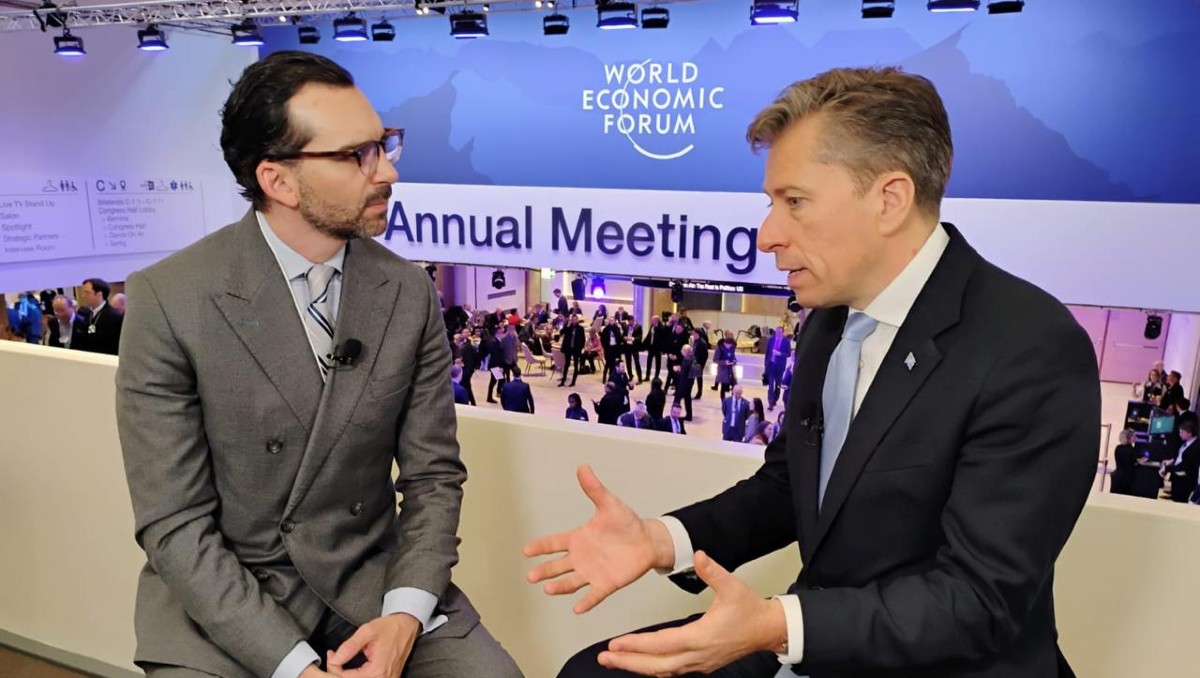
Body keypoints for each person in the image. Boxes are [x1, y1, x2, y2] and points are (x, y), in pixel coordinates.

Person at [526, 66, 1098, 678]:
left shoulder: (1030, 347)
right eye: (772, 204)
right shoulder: (829, 319)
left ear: (890, 198)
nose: (768, 235)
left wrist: (777, 625)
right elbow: (790, 489)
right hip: (818, 639)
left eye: (794, 202)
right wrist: (662, 540)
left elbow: (979, 600)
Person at [115, 52, 520, 678]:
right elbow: (175, 525)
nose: (386, 170)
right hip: (228, 600)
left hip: (373, 584)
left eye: (385, 145)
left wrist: (406, 614)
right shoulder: (170, 300)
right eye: (355, 155)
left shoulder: (406, 291)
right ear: (277, 180)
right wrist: (296, 668)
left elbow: (434, 476)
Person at [78, 278, 123, 355]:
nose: (83, 296)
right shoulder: (87, 313)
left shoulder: (114, 317)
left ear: (99, 295)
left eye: (87, 293)